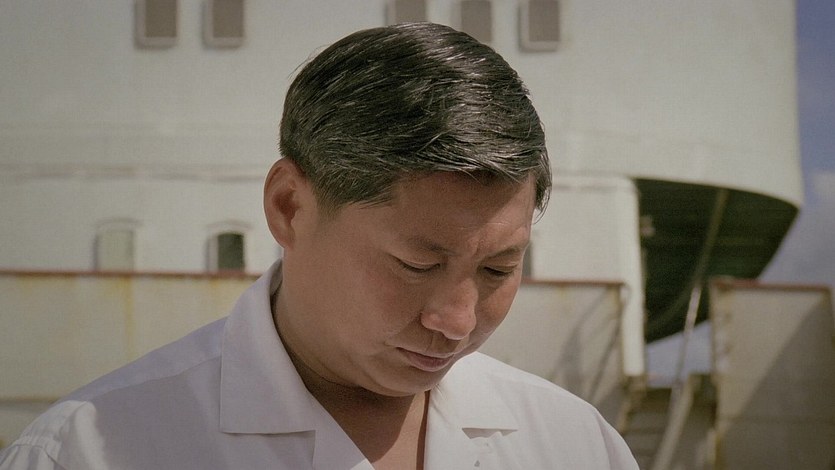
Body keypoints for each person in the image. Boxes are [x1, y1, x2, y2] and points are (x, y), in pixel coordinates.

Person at [0, 22, 638, 469]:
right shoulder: (85, 453)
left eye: (498, 269)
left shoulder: (575, 447)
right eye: (418, 263)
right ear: (289, 207)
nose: (457, 322)